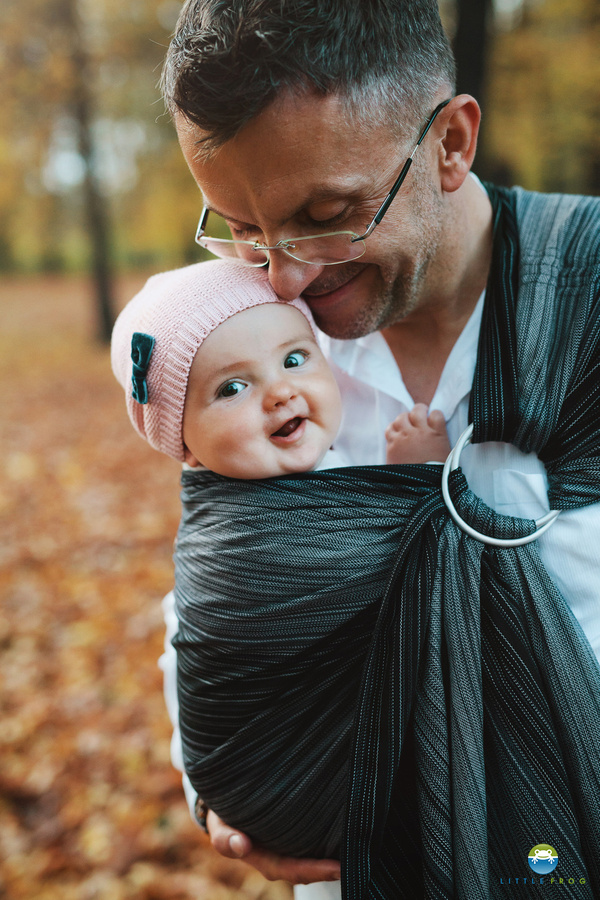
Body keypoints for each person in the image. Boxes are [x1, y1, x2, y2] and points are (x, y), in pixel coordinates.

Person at [157, 2, 600, 898]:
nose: (284, 276)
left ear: (451, 143)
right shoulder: (246, 350)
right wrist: (224, 790)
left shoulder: (585, 298)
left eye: (327, 213)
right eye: (240, 225)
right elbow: (220, 591)